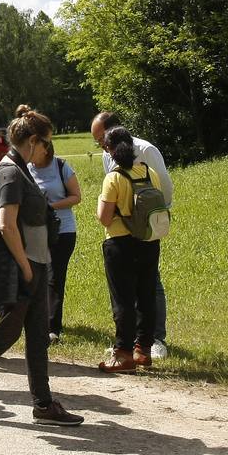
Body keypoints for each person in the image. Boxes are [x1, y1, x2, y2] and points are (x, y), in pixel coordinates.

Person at [0, 106, 83, 426]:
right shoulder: (10, 172)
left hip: (35, 265)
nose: (47, 150)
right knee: (6, 332)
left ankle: (43, 404)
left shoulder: (20, 169)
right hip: (23, 268)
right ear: (32, 141)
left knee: (36, 336)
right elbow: (7, 225)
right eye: (45, 143)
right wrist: (26, 267)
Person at [91, 111, 174, 358]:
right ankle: (143, 349)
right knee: (145, 293)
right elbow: (160, 193)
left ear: (110, 147)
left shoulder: (117, 174)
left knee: (124, 297)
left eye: (102, 144)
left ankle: (125, 350)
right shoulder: (150, 173)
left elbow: (105, 217)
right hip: (149, 238)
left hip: (121, 240)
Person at [28, 140, 82, 343]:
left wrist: (50, 206)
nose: (30, 149)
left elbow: (77, 196)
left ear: (46, 148)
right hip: (34, 231)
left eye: (35, 146)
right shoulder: (26, 168)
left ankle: (53, 328)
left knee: (54, 278)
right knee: (34, 276)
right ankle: (33, 321)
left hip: (62, 230)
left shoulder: (61, 166)